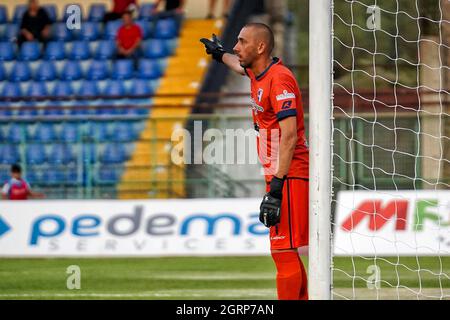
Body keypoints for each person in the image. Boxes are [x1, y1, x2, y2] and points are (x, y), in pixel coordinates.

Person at [200, 24, 309, 300]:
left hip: (290, 174)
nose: (236, 47)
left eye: (241, 41)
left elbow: (289, 137)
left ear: (260, 47)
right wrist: (219, 54)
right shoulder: (257, 72)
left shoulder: (280, 79)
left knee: (282, 249)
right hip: (278, 174)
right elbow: (238, 65)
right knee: (285, 249)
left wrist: (276, 188)